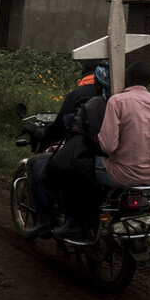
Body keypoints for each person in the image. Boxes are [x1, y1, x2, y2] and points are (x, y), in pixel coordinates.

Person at [26, 59, 99, 238]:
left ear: (84, 72)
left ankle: (45, 221)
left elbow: (59, 128)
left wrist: (42, 137)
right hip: (108, 154)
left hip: (81, 152)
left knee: (36, 164)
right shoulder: (115, 94)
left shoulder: (77, 94)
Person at [50, 61, 111, 239]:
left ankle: (72, 223)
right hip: (143, 168)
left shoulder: (91, 103)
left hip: (99, 157)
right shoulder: (125, 102)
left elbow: (100, 141)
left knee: (62, 169)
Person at [96, 61, 150, 189]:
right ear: (149, 82)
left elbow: (108, 146)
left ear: (128, 78)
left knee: (83, 165)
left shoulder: (116, 101)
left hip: (119, 175)